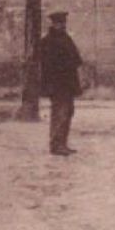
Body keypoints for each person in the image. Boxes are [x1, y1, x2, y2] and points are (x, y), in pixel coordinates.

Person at [37, 10, 83, 157]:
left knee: (68, 112)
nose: (62, 26)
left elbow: (76, 59)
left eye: (63, 23)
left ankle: (62, 143)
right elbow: (47, 65)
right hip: (57, 84)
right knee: (59, 113)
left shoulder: (66, 39)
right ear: (53, 24)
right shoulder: (47, 42)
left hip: (68, 83)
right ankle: (56, 144)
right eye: (59, 23)